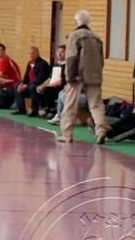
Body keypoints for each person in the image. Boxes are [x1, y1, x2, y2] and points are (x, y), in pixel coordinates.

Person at [60, 10, 107, 144]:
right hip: (95, 75)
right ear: (88, 21)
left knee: (70, 105)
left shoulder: (74, 35)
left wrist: (70, 77)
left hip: (78, 75)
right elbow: (101, 60)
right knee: (96, 105)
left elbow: (71, 57)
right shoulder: (97, 38)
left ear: (76, 21)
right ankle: (101, 131)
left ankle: (66, 134)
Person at [11, 46, 51, 115]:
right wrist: (22, 84)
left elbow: (39, 80)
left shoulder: (43, 64)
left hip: (40, 86)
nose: (31, 55)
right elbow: (26, 77)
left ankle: (35, 110)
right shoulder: (29, 63)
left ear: (37, 54)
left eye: (33, 53)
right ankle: (21, 109)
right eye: (29, 53)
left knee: (32, 87)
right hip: (30, 85)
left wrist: (26, 85)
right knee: (17, 85)